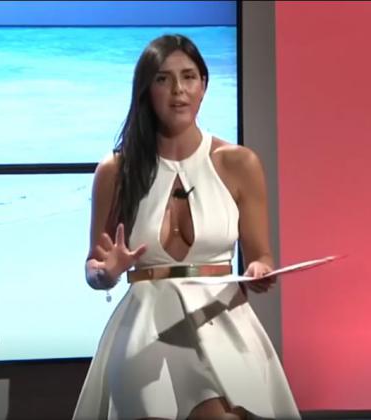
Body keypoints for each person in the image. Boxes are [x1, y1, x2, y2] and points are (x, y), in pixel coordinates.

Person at [72, 34, 300, 420]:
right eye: (163, 79)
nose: (178, 89)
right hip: (145, 325)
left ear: (204, 86)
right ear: (146, 91)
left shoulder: (238, 163)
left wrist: (260, 269)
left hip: (221, 320)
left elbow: (260, 255)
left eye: (189, 77)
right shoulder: (116, 170)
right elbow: (95, 265)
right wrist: (105, 274)